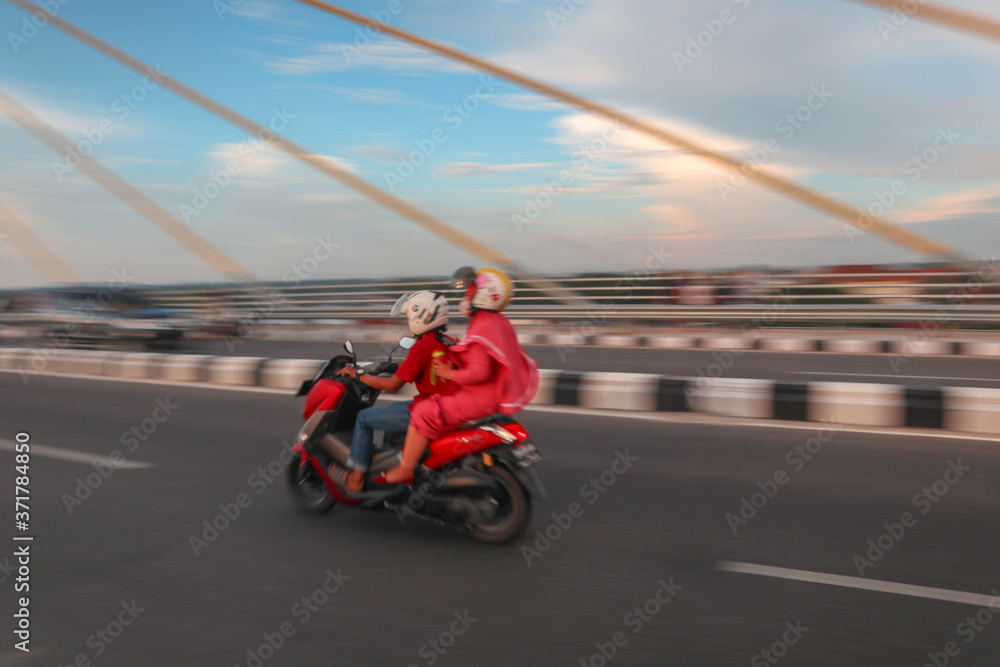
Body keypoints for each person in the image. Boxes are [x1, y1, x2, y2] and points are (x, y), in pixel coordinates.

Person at [378, 267, 538, 485]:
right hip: (492, 394)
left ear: (484, 294)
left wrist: (449, 373)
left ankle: (406, 468)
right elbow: (483, 356)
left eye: (469, 291)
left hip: (480, 397)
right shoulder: (497, 321)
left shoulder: (483, 324)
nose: (465, 297)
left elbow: (479, 372)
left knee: (424, 411)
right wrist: (458, 349)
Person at [332, 291, 456, 492]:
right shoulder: (443, 340)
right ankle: (393, 459)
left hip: (428, 409)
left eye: (409, 317)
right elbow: (418, 365)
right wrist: (391, 366)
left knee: (364, 417)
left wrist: (357, 375)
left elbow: (392, 385)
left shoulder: (423, 345)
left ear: (421, 317)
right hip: (445, 405)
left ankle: (356, 478)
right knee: (393, 409)